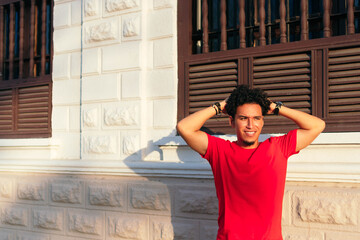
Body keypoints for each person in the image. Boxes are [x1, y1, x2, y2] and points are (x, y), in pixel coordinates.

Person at [176, 85, 325, 240]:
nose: (250, 125)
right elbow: (184, 127)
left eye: (256, 118)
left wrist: (275, 107)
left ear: (262, 122)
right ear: (232, 122)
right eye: (243, 118)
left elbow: (317, 125)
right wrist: (219, 106)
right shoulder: (220, 151)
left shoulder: (278, 148)